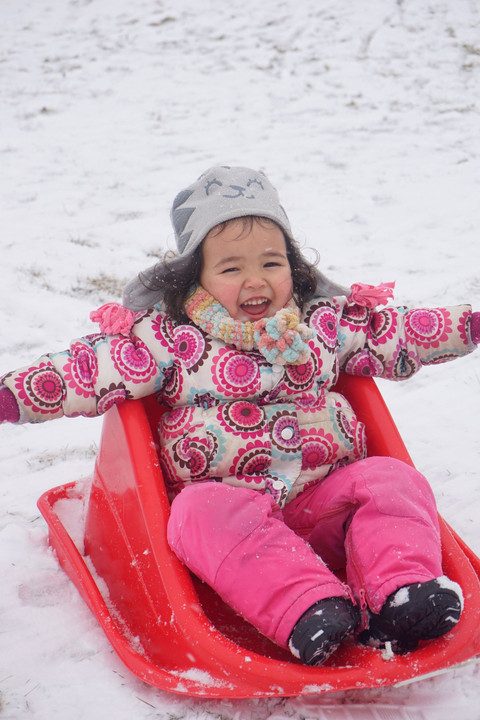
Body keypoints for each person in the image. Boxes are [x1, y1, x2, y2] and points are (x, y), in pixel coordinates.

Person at [1, 165, 479, 666]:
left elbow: (396, 333)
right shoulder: (172, 340)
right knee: (194, 513)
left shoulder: (325, 324)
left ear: (294, 266)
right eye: (230, 269)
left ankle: (401, 592)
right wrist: (13, 396)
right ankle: (309, 606)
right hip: (233, 517)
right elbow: (91, 369)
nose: (255, 280)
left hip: (325, 506)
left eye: (271, 263)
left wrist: (469, 325)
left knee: (391, 478)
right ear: (197, 279)